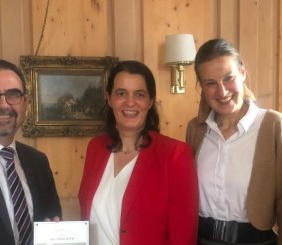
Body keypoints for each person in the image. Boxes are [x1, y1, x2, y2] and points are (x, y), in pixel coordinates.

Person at [186, 38, 282, 245]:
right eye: (210, 83)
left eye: (228, 78)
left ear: (243, 73)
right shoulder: (196, 129)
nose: (222, 91)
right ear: (201, 87)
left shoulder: (276, 127)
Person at [78, 60, 199, 245]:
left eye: (139, 94)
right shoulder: (95, 148)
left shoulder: (175, 155)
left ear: (150, 101)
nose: (130, 102)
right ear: (109, 98)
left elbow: (183, 237)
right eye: (121, 93)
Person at [0, 59, 62, 245]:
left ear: (25, 102)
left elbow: (53, 222)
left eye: (13, 94)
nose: (4, 105)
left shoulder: (38, 162)